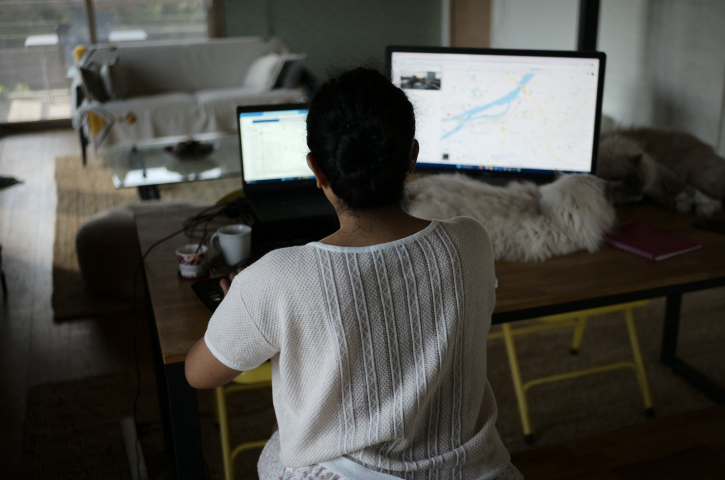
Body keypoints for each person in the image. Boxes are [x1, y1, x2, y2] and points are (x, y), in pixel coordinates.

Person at [185, 67, 523, 480]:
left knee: (282, 436)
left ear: (317, 170)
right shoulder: (471, 240)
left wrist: (246, 301)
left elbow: (198, 374)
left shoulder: (275, 277)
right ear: (412, 156)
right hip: (476, 472)